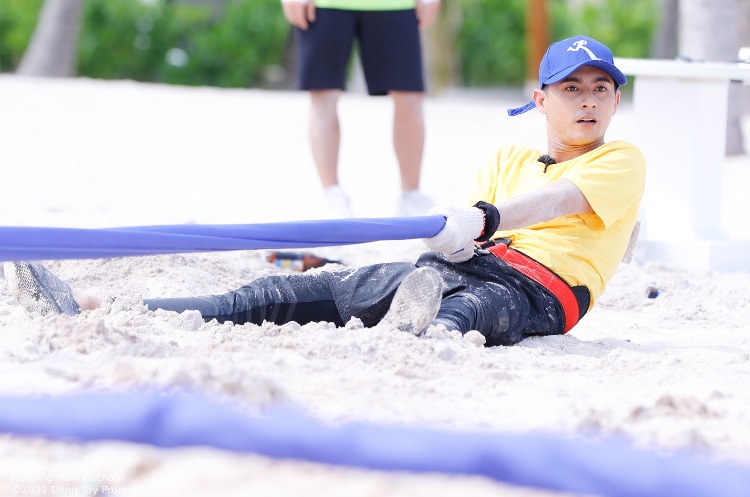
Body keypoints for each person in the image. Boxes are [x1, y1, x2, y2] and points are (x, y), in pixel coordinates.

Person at [5, 35, 645, 347]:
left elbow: (561, 201)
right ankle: (93, 305)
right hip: (471, 262)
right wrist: (456, 241)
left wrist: (482, 217)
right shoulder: (508, 157)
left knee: (469, 312)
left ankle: (418, 333)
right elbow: (473, 236)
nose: (588, 101)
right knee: (285, 295)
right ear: (540, 99)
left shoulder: (622, 159)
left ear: (616, 100)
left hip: (542, 289)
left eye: (601, 89)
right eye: (571, 88)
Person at [280, 0, 440, 218]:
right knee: (323, 93)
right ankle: (331, 194)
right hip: (324, 5)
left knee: (409, 94)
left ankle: (411, 195)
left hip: (395, 5)